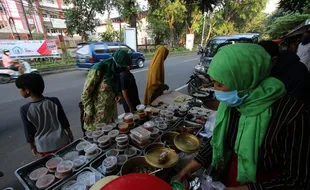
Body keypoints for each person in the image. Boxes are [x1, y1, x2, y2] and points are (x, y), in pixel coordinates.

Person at [177, 44, 310, 189]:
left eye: (220, 84)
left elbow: (296, 180)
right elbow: (219, 139)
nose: (215, 91)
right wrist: (189, 168)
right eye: (213, 82)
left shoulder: (294, 116)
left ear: (244, 78)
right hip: (232, 175)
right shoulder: (236, 102)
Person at [16, 73, 73, 157]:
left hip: (44, 147)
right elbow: (63, 120)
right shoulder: (54, 101)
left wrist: (32, 147)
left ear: (27, 90)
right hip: (62, 141)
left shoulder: (25, 109)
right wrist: (70, 134)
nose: (19, 91)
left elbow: (29, 131)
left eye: (20, 88)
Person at [81, 50, 132, 131]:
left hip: (111, 113)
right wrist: (89, 112)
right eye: (123, 67)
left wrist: (118, 94)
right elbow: (86, 93)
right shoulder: (99, 69)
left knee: (111, 136)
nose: (124, 69)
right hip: (97, 114)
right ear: (116, 63)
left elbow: (114, 87)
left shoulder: (116, 71)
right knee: (99, 137)